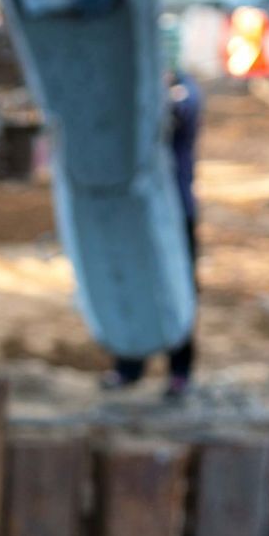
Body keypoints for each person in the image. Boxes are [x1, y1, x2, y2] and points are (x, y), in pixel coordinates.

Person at [102, 44, 201, 397]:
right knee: (132, 286)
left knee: (178, 288)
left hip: (176, 213)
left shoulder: (185, 92)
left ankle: (180, 373)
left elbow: (178, 109)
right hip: (138, 214)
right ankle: (128, 368)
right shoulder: (144, 94)